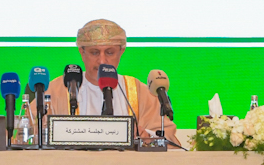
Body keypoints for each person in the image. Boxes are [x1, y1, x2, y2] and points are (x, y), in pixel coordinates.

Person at [38, 18, 177, 142]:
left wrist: (147, 137)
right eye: (95, 52)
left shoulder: (139, 91)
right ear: (82, 52)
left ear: (121, 52)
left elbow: (169, 138)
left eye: (110, 53)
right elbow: (30, 131)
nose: (102, 60)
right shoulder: (58, 89)